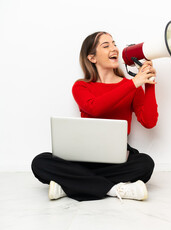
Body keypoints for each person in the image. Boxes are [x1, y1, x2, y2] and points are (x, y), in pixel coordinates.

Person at [31, 31, 158, 202]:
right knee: (40, 162)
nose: (114, 49)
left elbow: (149, 122)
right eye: (106, 46)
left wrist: (149, 84)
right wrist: (134, 83)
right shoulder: (81, 86)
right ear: (92, 58)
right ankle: (115, 189)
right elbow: (96, 108)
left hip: (118, 155)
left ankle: (68, 186)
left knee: (145, 164)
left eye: (114, 44)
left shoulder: (132, 86)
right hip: (84, 153)